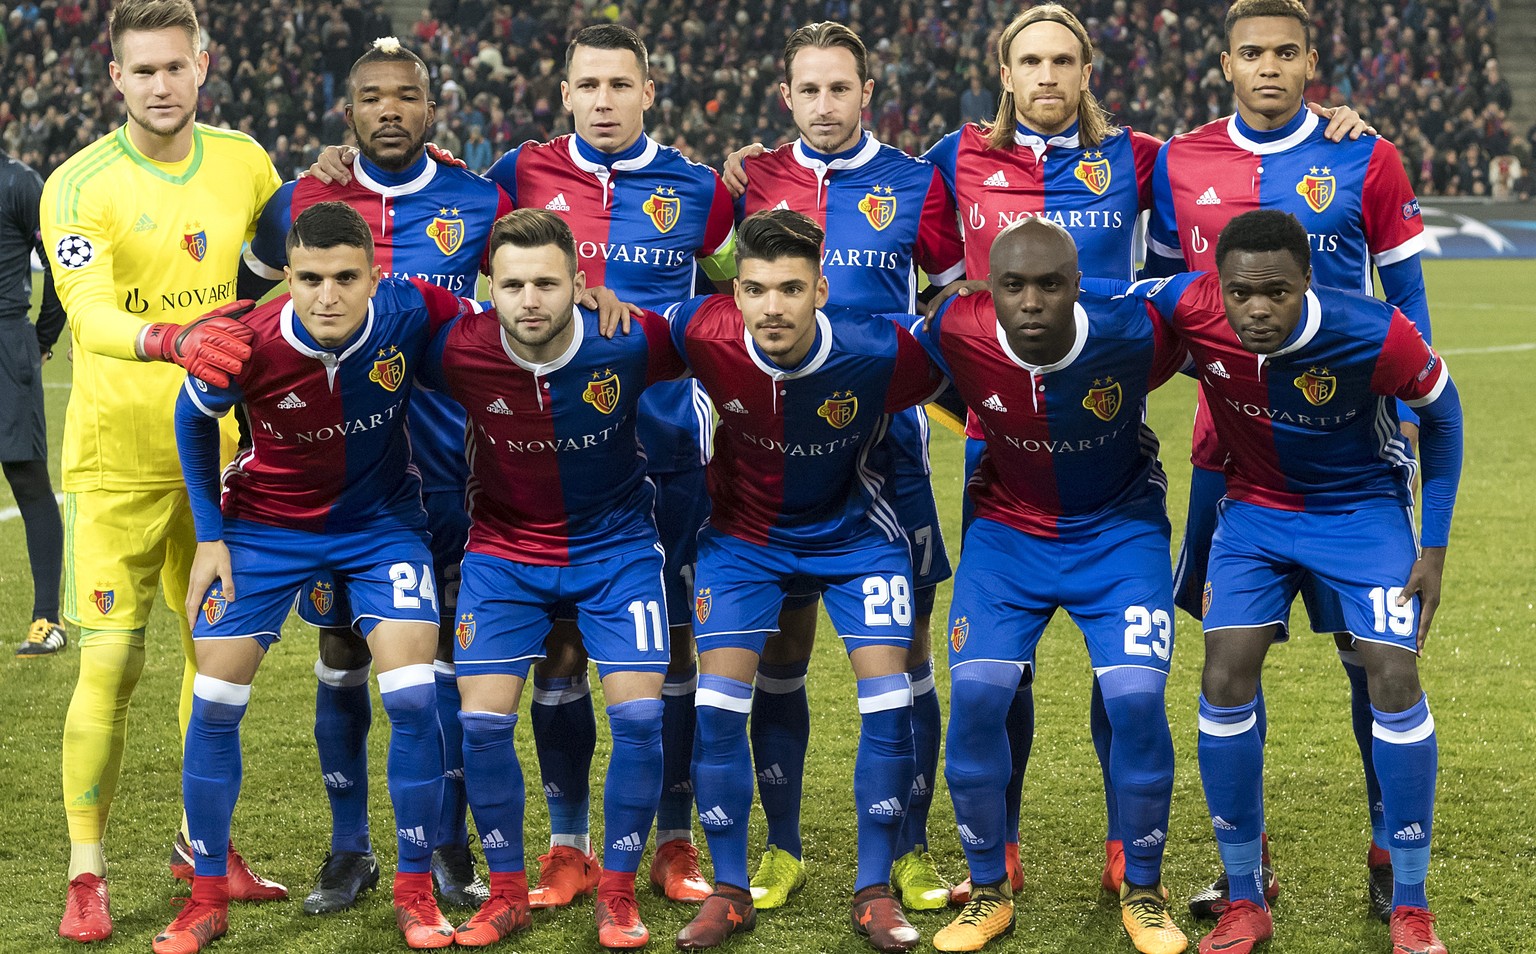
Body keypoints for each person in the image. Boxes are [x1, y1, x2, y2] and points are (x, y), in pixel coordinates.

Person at [1144, 0, 1432, 921]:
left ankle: (1391, 845)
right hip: (1223, 454)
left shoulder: (1364, 154)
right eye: (1251, 53)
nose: (1268, 67)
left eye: (1285, 52)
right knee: (1230, 657)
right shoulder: (1179, 161)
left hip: (1353, 453)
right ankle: (1248, 866)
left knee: (1369, 656)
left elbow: (1408, 296)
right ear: (1224, 64)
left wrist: (1411, 415)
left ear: (1312, 61)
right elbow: (1162, 297)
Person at [1121, 209, 1461, 954]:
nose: (1257, 309)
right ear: (1220, 287)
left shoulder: (1375, 330)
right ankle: (1245, 895)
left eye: (1276, 292)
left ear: (1308, 280)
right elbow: (1108, 302)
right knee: (1224, 674)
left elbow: (1443, 415)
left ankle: (1411, 904)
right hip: (1255, 511)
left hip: (1360, 509)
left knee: (1393, 676)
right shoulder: (1188, 302)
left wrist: (1431, 547)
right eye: (1241, 294)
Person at [243, 36, 512, 915]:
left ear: (432, 110)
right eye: (371, 97)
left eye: (406, 96)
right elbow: (248, 320)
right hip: (344, 483)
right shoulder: (301, 199)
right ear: (346, 110)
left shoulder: (479, 198)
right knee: (342, 650)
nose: (388, 110)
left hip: (455, 472)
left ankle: (445, 846)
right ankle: (348, 847)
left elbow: (510, 304)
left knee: (443, 668)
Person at [161, 201, 470, 954]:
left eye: (343, 278)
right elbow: (191, 417)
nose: (326, 295)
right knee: (216, 699)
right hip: (266, 527)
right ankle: (204, 897)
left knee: (414, 692)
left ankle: (414, 889)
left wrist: (589, 300)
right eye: (308, 278)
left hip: (382, 525)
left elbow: (502, 327)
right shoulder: (252, 343)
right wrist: (210, 538)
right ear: (288, 277)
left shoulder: (411, 309)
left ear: (375, 277)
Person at [39, 0, 284, 941]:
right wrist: (172, 336)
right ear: (115, 77)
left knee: (213, 666)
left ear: (203, 64)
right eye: (142, 71)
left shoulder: (245, 160)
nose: (160, 85)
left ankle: (202, 849)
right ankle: (85, 873)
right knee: (111, 659)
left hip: (224, 465)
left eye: (174, 67)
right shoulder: (79, 185)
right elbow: (90, 315)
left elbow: (275, 269)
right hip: (119, 464)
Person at [482, 24, 735, 908]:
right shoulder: (519, 173)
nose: (603, 101)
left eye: (619, 85)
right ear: (563, 91)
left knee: (671, 656)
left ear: (649, 89)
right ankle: (566, 845)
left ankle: (671, 837)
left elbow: (734, 282)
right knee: (557, 652)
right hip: (553, 462)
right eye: (587, 85)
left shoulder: (703, 191)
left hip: (667, 456)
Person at [719, 20, 967, 911]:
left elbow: (951, 294)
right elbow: (716, 293)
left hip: (889, 454)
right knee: (780, 650)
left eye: (841, 89)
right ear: (786, 98)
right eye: (809, 90)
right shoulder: (748, 182)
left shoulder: (915, 184)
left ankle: (912, 844)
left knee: (903, 657)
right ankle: (780, 846)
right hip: (772, 458)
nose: (825, 105)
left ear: (868, 94)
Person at [670, 209, 944, 953]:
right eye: (754, 290)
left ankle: (875, 888)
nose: (772, 308)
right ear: (735, 295)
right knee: (719, 707)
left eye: (791, 289)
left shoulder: (878, 348)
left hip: (856, 537)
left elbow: (962, 361)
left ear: (821, 289)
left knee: (889, 700)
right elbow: (622, 338)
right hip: (742, 541)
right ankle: (730, 890)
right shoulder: (700, 331)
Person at [915, 217, 1189, 954]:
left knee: (1134, 699)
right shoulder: (957, 328)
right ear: (988, 290)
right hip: (1009, 533)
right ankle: (988, 893)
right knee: (976, 697)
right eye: (1013, 286)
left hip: (1119, 531)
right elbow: (876, 355)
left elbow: (1210, 315)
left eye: (1050, 284)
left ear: (1078, 286)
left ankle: (1144, 889)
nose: (1031, 301)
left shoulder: (1133, 331)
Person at [420, 208, 685, 950]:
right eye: (512, 285)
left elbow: (723, 342)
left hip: (618, 547)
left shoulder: (630, 338)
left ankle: (620, 892)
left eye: (546, 282)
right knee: (480, 721)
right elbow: (381, 309)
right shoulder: (457, 347)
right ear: (489, 289)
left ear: (579, 282)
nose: (529, 300)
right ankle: (505, 893)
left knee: (638, 717)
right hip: (504, 550)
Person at [1, 146, 67, 657]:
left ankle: (48, 619)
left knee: (27, 479)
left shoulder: (21, 183)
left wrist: (40, 339)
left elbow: (61, 270)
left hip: (6, 343)